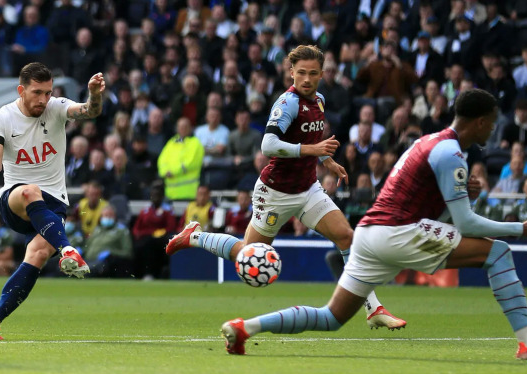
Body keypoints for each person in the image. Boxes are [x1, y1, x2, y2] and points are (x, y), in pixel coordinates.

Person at [219, 89, 527, 362]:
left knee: (331, 317)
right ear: (479, 122)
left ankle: (244, 327)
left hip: (371, 235)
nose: (493, 128)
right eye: (491, 121)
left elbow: (433, 206)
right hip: (401, 233)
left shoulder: (428, 143)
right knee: (499, 252)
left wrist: (462, 190)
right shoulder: (452, 154)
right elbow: (464, 223)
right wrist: (519, 228)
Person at [166, 45, 406, 331]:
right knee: (246, 252)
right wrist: (313, 149)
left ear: (321, 74)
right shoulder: (287, 103)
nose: (306, 79)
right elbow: (268, 145)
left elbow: (312, 137)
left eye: (313, 73)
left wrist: (327, 161)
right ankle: (195, 236)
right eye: (301, 73)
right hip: (275, 193)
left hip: (307, 190)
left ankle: (373, 308)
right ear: (291, 72)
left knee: (347, 237)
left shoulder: (319, 100)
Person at [0, 62, 105, 340]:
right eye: (37, 93)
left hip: (54, 205)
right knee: (30, 191)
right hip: (16, 198)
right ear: (21, 90)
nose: (43, 100)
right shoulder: (1, 117)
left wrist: (94, 95)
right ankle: (68, 249)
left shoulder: (56, 108)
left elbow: (90, 111)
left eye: (47, 92)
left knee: (35, 256)